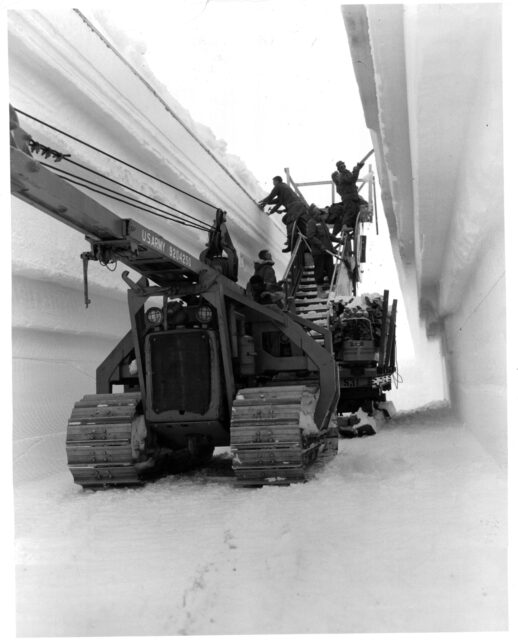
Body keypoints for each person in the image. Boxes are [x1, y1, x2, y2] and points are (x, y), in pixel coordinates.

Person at [258, 176, 308, 252]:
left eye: (273, 182)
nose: (273, 184)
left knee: (289, 221)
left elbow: (271, 197)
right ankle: (297, 236)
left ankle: (290, 244)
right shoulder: (284, 187)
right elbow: (278, 202)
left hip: (295, 206)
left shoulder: (279, 186)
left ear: (277, 181)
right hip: (299, 207)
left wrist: (262, 202)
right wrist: (271, 209)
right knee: (287, 220)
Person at [305, 206, 343, 297]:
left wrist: (338, 240)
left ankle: (333, 288)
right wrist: (320, 245)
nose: (319, 214)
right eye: (317, 213)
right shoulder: (311, 223)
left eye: (319, 212)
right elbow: (310, 236)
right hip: (319, 252)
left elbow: (328, 235)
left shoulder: (322, 222)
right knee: (319, 271)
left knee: (330, 269)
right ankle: (320, 292)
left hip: (327, 251)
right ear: (313, 214)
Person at [331, 160, 367, 232]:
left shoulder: (342, 178)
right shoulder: (342, 177)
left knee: (360, 206)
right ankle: (345, 226)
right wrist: (356, 169)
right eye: (342, 167)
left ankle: (352, 226)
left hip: (353, 197)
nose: (344, 167)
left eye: (344, 166)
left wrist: (357, 169)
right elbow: (352, 179)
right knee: (350, 212)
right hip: (350, 199)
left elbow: (350, 182)